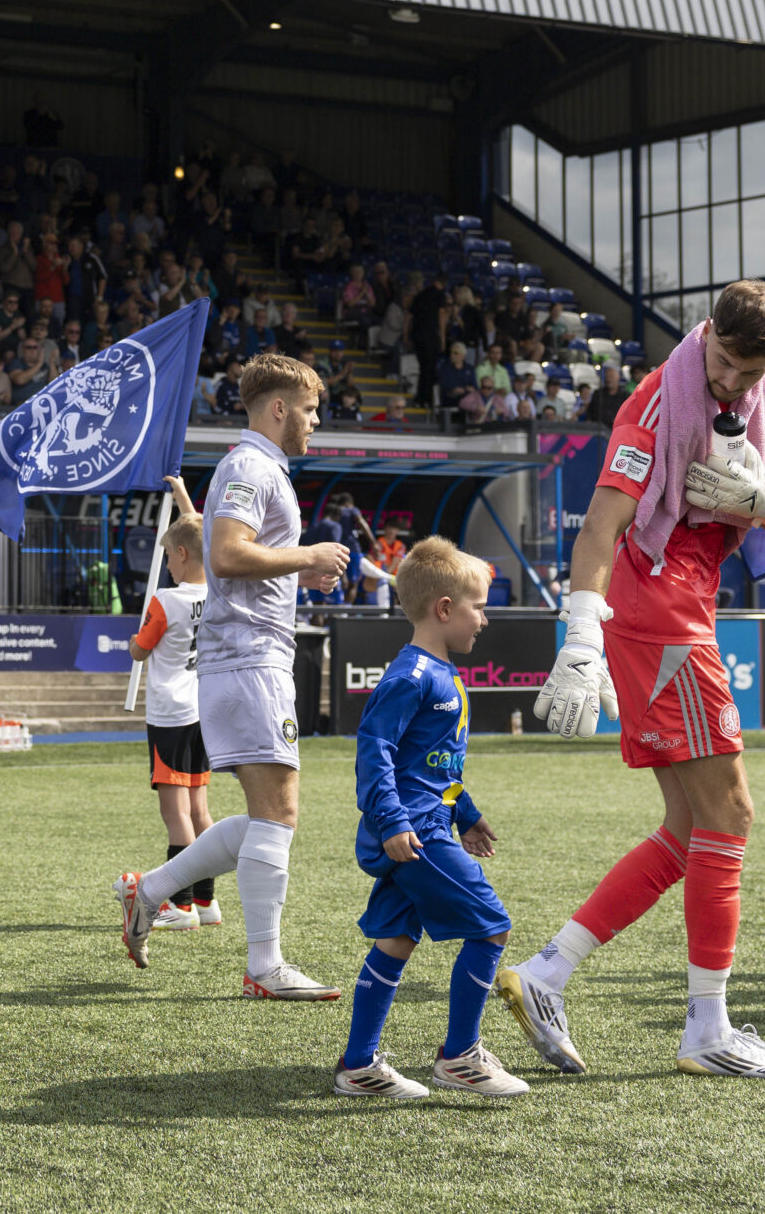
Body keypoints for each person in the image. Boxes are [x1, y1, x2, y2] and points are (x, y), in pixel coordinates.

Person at [497, 281, 765, 1079]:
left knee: (687, 831)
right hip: (657, 608)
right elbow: (600, 528)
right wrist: (579, 636)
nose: (733, 385)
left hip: (684, 601)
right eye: (726, 364)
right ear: (705, 336)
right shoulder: (654, 404)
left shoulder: (764, 392)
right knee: (730, 813)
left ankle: (547, 971)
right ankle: (707, 1028)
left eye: (751, 372)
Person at [115, 353, 353, 1000]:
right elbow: (225, 553)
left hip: (249, 658)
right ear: (279, 408)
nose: (315, 422)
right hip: (249, 661)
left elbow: (236, 559)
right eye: (309, 410)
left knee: (267, 816)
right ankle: (263, 966)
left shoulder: (256, 467)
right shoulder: (251, 466)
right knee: (278, 815)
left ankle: (154, 889)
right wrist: (309, 553)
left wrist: (299, 571)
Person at [335, 537, 530, 1100]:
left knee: (396, 938)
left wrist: (466, 813)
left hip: (429, 824)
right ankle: (460, 1056)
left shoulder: (439, 672)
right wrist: (394, 821)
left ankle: (358, 1065)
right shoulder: (412, 675)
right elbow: (375, 752)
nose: (485, 620)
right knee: (491, 926)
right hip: (415, 833)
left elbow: (432, 765)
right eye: (477, 606)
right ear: (444, 609)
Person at [128, 483, 219, 932]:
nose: (165, 563)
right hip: (204, 711)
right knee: (200, 809)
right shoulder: (218, 590)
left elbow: (140, 651)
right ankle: (206, 900)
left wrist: (133, 641)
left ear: (181, 554)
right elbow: (203, 534)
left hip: (169, 714)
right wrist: (184, 497)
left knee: (175, 813)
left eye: (168, 555)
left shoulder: (164, 600)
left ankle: (180, 905)